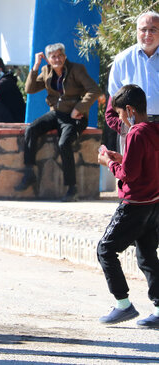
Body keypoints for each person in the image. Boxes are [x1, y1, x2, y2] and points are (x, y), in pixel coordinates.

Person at [96, 84, 159, 328]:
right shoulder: (154, 129)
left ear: (130, 109)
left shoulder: (135, 133)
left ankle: (123, 304)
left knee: (106, 250)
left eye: (121, 113)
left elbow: (128, 175)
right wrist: (120, 158)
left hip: (134, 204)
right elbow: (142, 164)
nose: (120, 118)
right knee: (146, 256)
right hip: (153, 204)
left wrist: (107, 163)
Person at [16, 43, 101, 201]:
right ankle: (29, 173)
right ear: (48, 59)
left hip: (75, 117)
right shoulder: (46, 71)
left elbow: (94, 89)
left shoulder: (77, 69)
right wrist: (35, 66)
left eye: (60, 55)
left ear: (65, 56)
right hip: (56, 114)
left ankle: (72, 189)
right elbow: (29, 88)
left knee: (64, 144)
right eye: (53, 56)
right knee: (31, 129)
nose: (57, 59)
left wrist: (80, 108)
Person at [105, 11, 159, 139]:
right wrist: (127, 129)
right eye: (143, 29)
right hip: (132, 130)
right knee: (132, 160)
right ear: (136, 31)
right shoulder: (122, 60)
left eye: (153, 30)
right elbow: (113, 105)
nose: (147, 34)